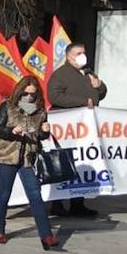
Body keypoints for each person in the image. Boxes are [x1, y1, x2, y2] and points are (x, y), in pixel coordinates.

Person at [0, 76, 60, 251]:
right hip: (6, 155)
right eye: (25, 94)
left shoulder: (40, 111)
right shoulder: (8, 106)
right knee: (4, 193)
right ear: (19, 92)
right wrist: (12, 131)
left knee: (35, 195)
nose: (28, 98)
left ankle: (46, 235)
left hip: (28, 157)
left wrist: (45, 132)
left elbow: (39, 136)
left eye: (32, 95)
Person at [45, 42, 105, 218]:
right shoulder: (61, 75)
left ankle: (78, 203)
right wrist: (82, 102)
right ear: (68, 56)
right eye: (79, 53)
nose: (83, 56)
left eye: (84, 52)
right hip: (67, 125)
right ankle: (57, 203)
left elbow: (101, 92)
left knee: (82, 161)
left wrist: (99, 85)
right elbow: (54, 96)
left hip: (85, 125)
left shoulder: (88, 73)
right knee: (65, 162)